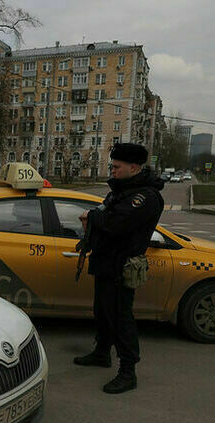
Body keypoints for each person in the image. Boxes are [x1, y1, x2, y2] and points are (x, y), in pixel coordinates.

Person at [73, 143, 164, 394]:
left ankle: (128, 371)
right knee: (102, 312)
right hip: (105, 261)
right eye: (112, 165)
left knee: (120, 318)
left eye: (116, 166)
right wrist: (94, 220)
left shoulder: (144, 197)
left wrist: (91, 218)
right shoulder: (121, 191)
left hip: (122, 266)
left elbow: (115, 223)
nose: (111, 170)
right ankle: (102, 353)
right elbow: (105, 214)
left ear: (133, 167)